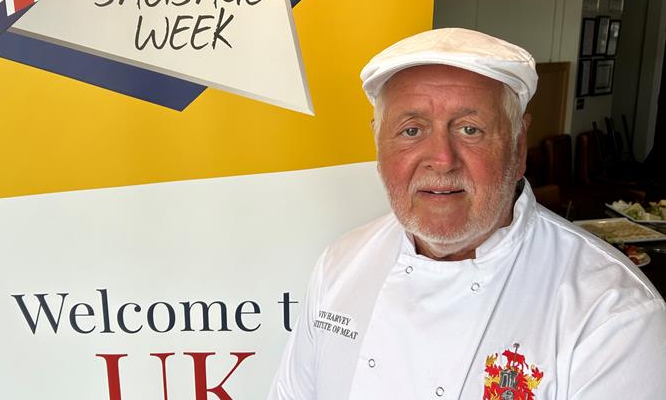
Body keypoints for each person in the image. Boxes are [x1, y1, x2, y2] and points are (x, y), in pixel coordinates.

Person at [268, 28, 666, 400]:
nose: (441, 160)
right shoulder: (340, 264)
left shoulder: (612, 311)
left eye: (470, 129)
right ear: (378, 147)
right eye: (411, 130)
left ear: (518, 145)